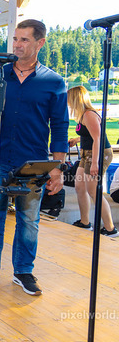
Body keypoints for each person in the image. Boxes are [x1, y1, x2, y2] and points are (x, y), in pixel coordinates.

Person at [0, 19, 69, 296]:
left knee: (28, 221)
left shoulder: (54, 82)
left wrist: (57, 168)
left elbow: (60, 126)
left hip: (33, 165)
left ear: (40, 43)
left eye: (24, 40)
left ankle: (23, 272)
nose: (17, 45)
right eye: (15, 39)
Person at [67, 86, 116, 236]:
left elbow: (97, 139)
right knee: (79, 186)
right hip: (86, 154)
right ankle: (85, 222)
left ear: (75, 99)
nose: (67, 102)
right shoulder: (83, 115)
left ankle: (110, 229)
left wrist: (95, 163)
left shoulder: (89, 115)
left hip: (98, 154)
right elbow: (89, 133)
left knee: (93, 190)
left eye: (69, 99)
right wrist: (77, 139)